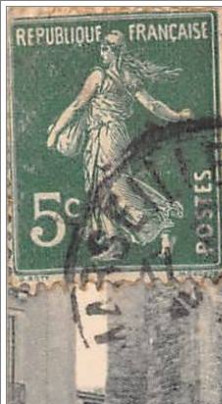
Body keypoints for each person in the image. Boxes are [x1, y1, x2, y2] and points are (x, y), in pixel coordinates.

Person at [43, 31, 190, 262]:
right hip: (119, 135)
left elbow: (76, 105)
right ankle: (130, 236)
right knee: (111, 187)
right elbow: (153, 104)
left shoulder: (98, 76)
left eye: (106, 48)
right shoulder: (128, 77)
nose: (102, 51)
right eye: (102, 47)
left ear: (116, 51)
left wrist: (54, 133)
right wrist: (177, 116)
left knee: (108, 188)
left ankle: (152, 223)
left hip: (104, 136)